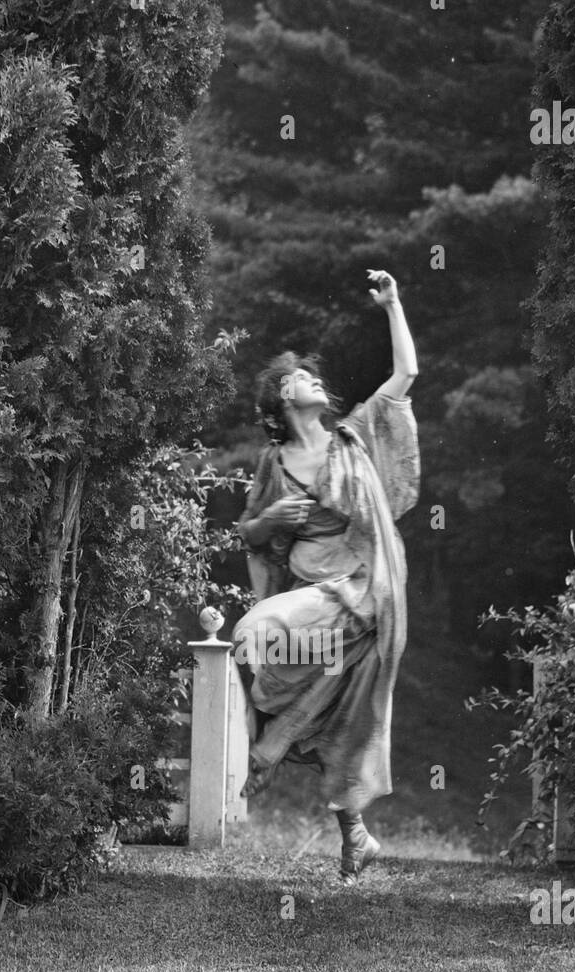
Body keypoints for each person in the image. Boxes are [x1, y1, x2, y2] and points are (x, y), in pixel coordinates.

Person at [233, 270, 420, 882]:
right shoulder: (275, 462)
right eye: (302, 377)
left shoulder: (353, 437)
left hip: (366, 595)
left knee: (345, 715)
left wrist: (393, 306)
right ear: (285, 399)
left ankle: (281, 768)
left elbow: (404, 378)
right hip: (315, 598)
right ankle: (265, 760)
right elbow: (251, 537)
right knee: (260, 637)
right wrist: (271, 519)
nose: (316, 380)